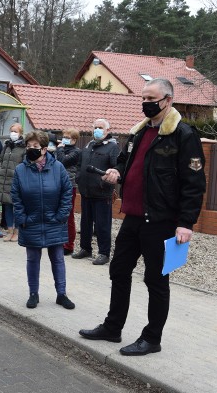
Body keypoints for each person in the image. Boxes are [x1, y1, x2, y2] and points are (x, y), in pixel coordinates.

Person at [79, 78, 207, 356]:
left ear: (168, 101)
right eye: (144, 98)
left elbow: (194, 183)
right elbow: (126, 163)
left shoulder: (183, 135)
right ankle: (113, 328)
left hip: (161, 221)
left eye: (152, 99)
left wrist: (186, 223)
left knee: (156, 280)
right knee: (119, 271)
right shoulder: (138, 133)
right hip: (133, 217)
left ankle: (152, 339)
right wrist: (117, 172)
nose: (146, 103)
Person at [11, 130, 75, 310]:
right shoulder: (20, 170)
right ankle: (33, 293)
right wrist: (23, 218)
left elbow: (66, 192)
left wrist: (61, 216)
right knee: (32, 259)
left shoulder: (58, 168)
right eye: (29, 146)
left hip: (54, 221)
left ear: (45, 149)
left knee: (58, 258)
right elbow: (16, 196)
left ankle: (61, 294)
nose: (31, 149)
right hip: (31, 222)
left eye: (36, 147)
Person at [71, 119, 120, 265]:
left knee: (102, 225)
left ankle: (103, 253)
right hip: (86, 191)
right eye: (95, 128)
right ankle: (85, 248)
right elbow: (80, 164)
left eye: (100, 128)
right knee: (85, 223)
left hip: (102, 193)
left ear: (107, 131)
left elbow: (115, 169)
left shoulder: (112, 148)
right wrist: (79, 177)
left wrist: (104, 182)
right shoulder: (89, 145)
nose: (97, 130)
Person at [0, 123, 25, 242]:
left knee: (17, 207)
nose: (13, 133)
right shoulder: (6, 146)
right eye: (12, 131)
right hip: (4, 181)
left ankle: (17, 232)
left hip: (16, 182)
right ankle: (9, 231)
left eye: (16, 131)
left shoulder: (24, 147)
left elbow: (25, 164)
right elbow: (0, 159)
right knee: (7, 206)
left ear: (20, 133)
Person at [55, 127, 82, 255]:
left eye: (68, 137)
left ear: (74, 139)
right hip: (57, 184)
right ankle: (58, 241)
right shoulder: (61, 150)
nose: (65, 138)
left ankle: (69, 244)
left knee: (68, 215)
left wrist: (59, 149)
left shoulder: (76, 152)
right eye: (64, 136)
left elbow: (62, 161)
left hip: (69, 186)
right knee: (57, 214)